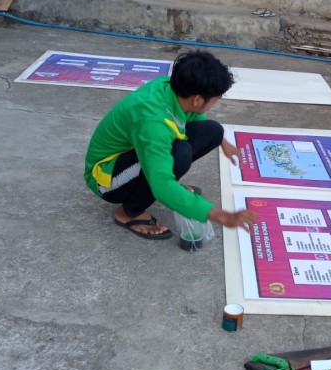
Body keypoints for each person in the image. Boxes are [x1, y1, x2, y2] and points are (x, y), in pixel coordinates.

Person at [84, 50, 257, 240]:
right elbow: (162, 185)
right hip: (106, 179)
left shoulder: (170, 87)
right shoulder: (153, 123)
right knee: (179, 155)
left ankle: (161, 184)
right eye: (217, 97)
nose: (218, 100)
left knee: (213, 131)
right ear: (198, 99)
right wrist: (223, 216)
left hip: (133, 153)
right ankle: (129, 213)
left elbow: (194, 116)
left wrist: (223, 143)